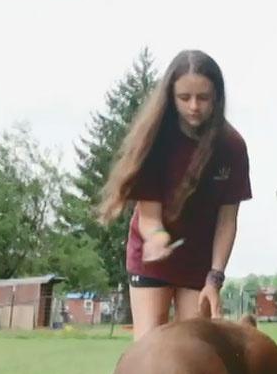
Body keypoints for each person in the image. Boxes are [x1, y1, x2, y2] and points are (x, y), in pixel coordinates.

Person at [96, 49, 251, 338]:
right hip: (151, 259)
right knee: (150, 351)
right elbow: (148, 215)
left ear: (217, 97)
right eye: (184, 98)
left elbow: (227, 221)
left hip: (198, 265)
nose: (194, 106)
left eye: (203, 98)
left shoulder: (232, 147)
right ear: (171, 96)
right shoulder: (155, 141)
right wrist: (156, 238)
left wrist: (214, 278)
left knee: (195, 348)